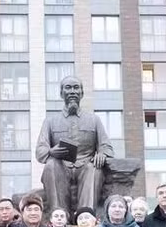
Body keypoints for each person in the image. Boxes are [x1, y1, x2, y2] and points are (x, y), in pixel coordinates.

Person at [36, 76, 115, 215]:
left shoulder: (94, 119)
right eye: (68, 88)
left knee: (94, 168)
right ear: (61, 93)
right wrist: (51, 151)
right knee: (51, 165)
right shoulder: (50, 121)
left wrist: (102, 154)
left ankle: (86, 216)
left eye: (76, 88)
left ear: (82, 93)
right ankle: (59, 215)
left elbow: (107, 147)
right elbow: (40, 151)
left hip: (85, 165)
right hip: (61, 166)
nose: (72, 91)